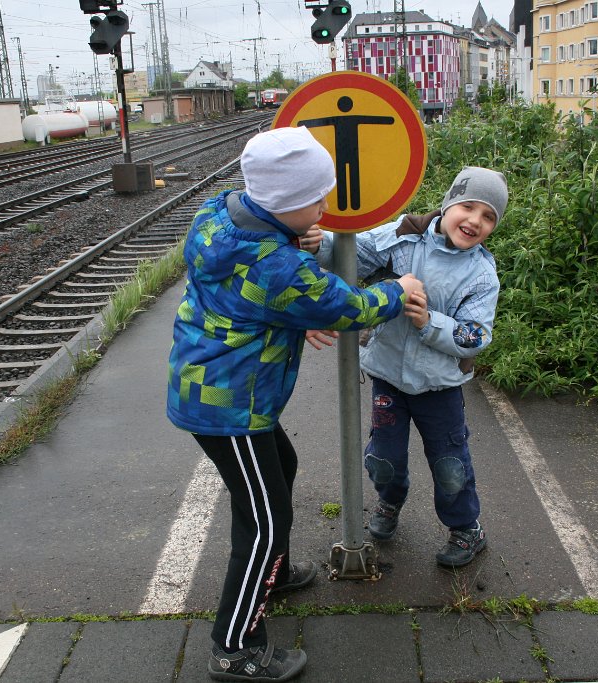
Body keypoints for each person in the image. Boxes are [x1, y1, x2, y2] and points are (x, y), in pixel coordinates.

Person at [166, 126, 423, 682]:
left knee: (280, 469)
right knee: (264, 519)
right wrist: (398, 290)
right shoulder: (279, 269)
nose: (326, 206)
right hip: (230, 408)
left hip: (214, 389)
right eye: (318, 198)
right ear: (286, 204)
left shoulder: (219, 214)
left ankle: (272, 576)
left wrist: (297, 247)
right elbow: (345, 307)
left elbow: (273, 279)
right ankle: (235, 647)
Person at [310, 166, 505, 570]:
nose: (474, 221)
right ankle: (388, 503)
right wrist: (318, 242)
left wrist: (427, 321)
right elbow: (353, 253)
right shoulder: (404, 234)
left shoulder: (482, 274)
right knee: (384, 460)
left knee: (451, 467)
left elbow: (476, 335)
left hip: (440, 388)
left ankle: (467, 528)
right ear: (449, 203)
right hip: (389, 378)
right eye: (468, 207)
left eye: (488, 216)